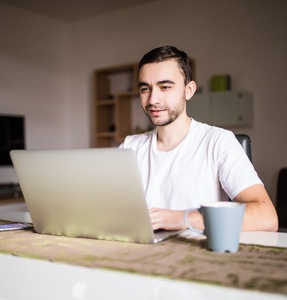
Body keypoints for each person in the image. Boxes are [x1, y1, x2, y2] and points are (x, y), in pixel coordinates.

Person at [119, 45, 278, 232]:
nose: (153, 99)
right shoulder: (129, 147)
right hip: (139, 252)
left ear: (189, 90)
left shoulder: (219, 142)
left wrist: (184, 219)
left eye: (165, 87)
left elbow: (267, 217)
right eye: (145, 89)